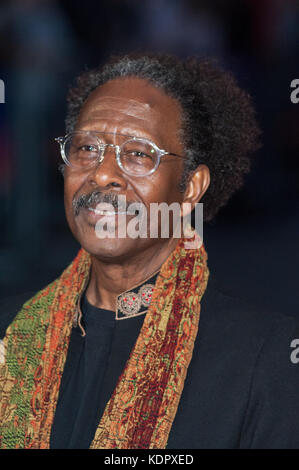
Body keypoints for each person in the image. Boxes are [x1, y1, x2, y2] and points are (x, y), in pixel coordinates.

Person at [0, 53, 299, 449]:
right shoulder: (11, 331)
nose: (103, 173)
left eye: (139, 154)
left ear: (190, 187)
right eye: (87, 147)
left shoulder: (264, 358)